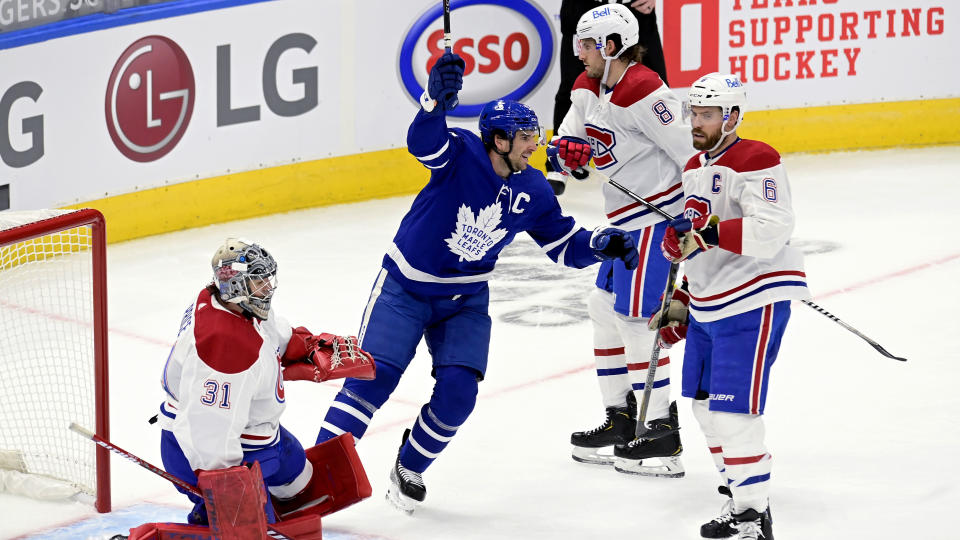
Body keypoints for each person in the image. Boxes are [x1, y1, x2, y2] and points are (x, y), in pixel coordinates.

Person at [314, 51, 641, 514]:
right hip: (406, 288)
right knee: (373, 380)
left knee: (458, 395)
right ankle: (314, 480)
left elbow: (565, 246)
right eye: (526, 137)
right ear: (499, 139)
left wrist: (601, 243)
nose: (534, 145)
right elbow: (422, 142)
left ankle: (409, 467)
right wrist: (434, 102)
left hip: (465, 299)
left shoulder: (535, 189)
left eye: (534, 136)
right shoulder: (462, 154)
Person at [655, 72, 810, 539]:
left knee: (733, 413)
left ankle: (752, 515)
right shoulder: (693, 166)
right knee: (704, 407)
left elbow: (772, 227)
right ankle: (739, 490)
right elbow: (699, 230)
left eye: (707, 114)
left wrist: (708, 234)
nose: (696, 122)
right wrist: (682, 285)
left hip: (751, 300)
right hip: (707, 304)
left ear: (733, 116)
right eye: (694, 113)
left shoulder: (756, 157)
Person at [547, 3, 694, 477]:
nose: (579, 53)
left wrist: (693, 216)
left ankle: (661, 434)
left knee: (636, 318)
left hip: (658, 216)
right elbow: (569, 147)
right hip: (623, 219)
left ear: (611, 46)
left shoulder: (646, 91)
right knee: (601, 308)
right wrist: (565, 156)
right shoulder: (588, 87)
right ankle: (621, 417)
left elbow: (691, 156)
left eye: (587, 45)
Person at [155, 238, 376, 533]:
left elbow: (269, 332)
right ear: (236, 284)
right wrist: (231, 489)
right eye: (259, 281)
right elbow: (208, 430)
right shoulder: (224, 347)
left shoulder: (229, 302)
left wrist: (306, 347)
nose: (268, 288)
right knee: (252, 527)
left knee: (299, 472)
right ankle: (208, 518)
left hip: (257, 433)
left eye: (266, 279)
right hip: (212, 454)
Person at [547, 0, 668, 195]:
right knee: (572, 89)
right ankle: (560, 163)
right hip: (586, 9)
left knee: (656, 85)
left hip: (632, 12)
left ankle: (668, 156)